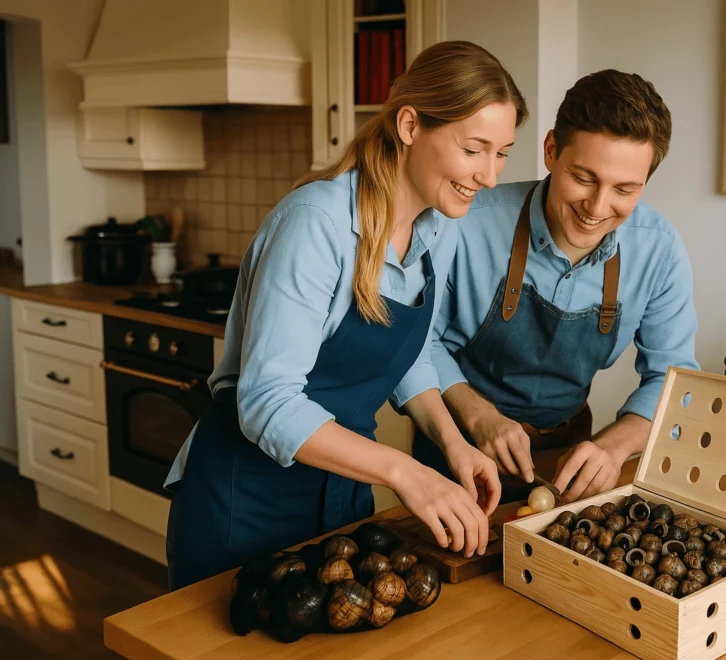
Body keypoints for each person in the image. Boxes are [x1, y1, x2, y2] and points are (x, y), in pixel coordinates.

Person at [165, 41, 528, 590]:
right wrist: (406, 472)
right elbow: (267, 404)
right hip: (247, 498)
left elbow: (406, 352)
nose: (491, 175)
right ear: (410, 125)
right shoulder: (316, 223)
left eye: (502, 152)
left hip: (343, 495)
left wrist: (453, 442)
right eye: (475, 149)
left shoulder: (439, 224)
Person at [396, 69, 698, 504]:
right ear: (552, 150)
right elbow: (415, 344)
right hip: (458, 448)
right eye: (584, 178)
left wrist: (613, 446)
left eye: (625, 189)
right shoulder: (463, 222)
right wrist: (479, 416)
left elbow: (675, 381)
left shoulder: (659, 250)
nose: (596, 208)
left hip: (570, 458)